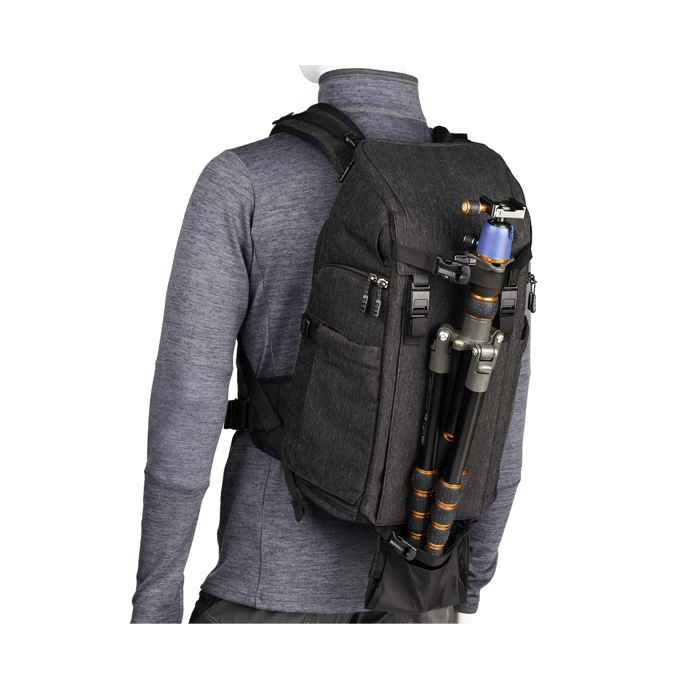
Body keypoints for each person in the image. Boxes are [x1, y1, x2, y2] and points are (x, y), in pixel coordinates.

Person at [131, 66, 531, 624]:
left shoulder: (245, 179)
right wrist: (467, 579)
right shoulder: (486, 193)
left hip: (270, 591)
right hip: (422, 589)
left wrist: (154, 602)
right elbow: (503, 400)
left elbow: (188, 398)